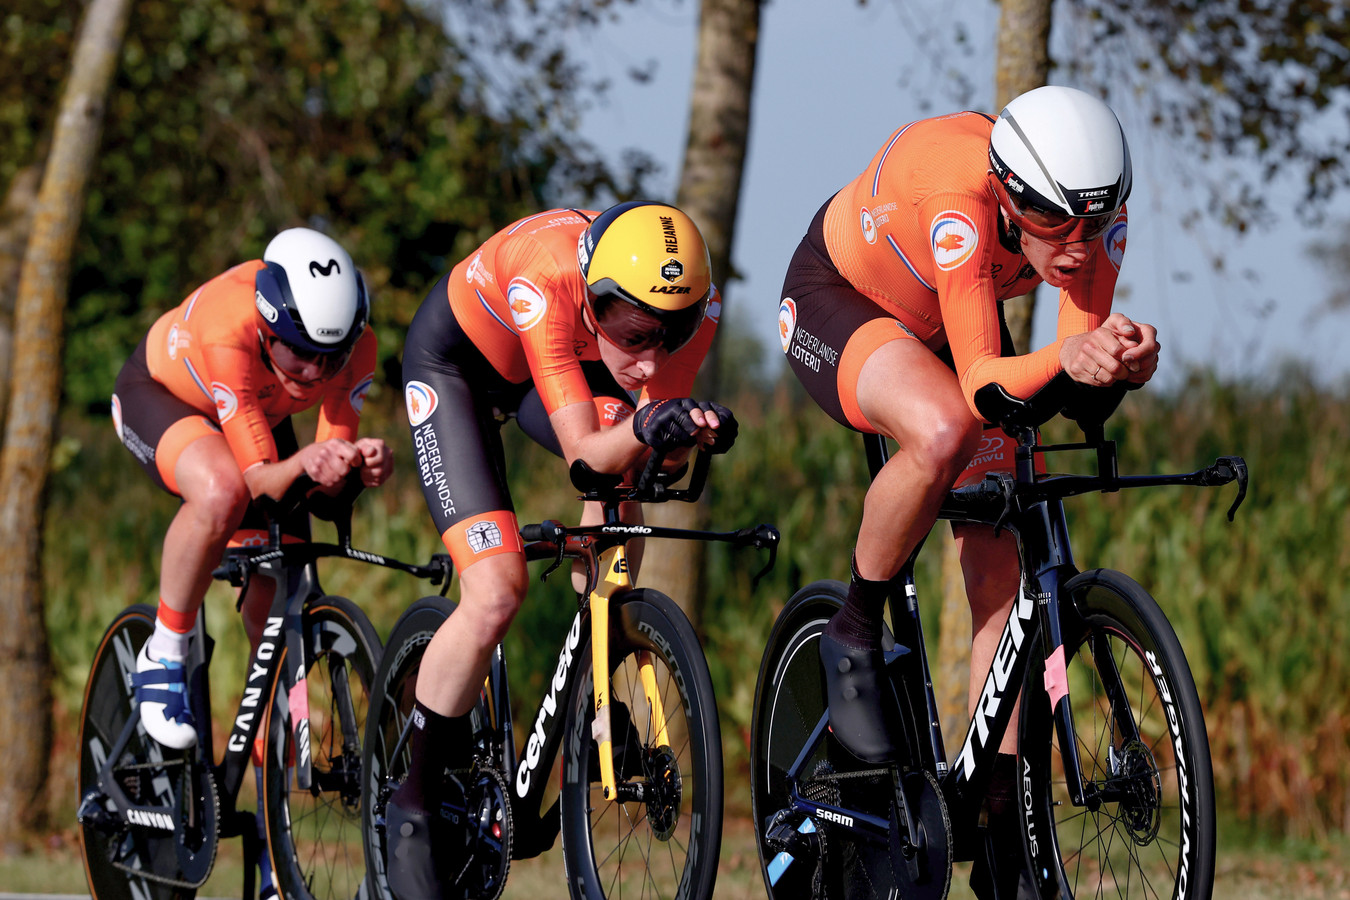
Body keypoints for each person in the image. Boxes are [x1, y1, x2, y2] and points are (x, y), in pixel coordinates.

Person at [776, 85, 1159, 897]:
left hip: (955, 312)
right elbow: (985, 383)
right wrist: (1072, 360)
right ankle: (853, 627)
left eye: (1098, 226)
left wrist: (1120, 363)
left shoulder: (1091, 220)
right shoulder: (959, 199)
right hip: (843, 298)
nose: (1081, 248)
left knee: (1002, 557)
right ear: (1013, 199)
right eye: (1059, 227)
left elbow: (1070, 367)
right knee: (946, 428)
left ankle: (1001, 809)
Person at [391, 201, 736, 900]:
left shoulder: (692, 309)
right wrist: (650, 425)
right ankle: (413, 806)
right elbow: (585, 458)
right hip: (460, 367)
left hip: (551, 374)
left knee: (625, 494)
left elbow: (647, 453)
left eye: (672, 338)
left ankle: (596, 676)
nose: (650, 361)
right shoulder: (547, 281)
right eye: (637, 335)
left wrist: (684, 433)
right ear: (595, 298)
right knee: (496, 591)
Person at [111, 226, 391, 898]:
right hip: (170, 396)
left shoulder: (351, 352)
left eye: (333, 356)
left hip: (258, 423)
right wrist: (306, 465)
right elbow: (260, 476)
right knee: (220, 490)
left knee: (281, 603)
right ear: (269, 327)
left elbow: (321, 484)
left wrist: (353, 468)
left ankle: (272, 849)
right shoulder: (228, 331)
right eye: (297, 352)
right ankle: (165, 649)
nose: (315, 372)